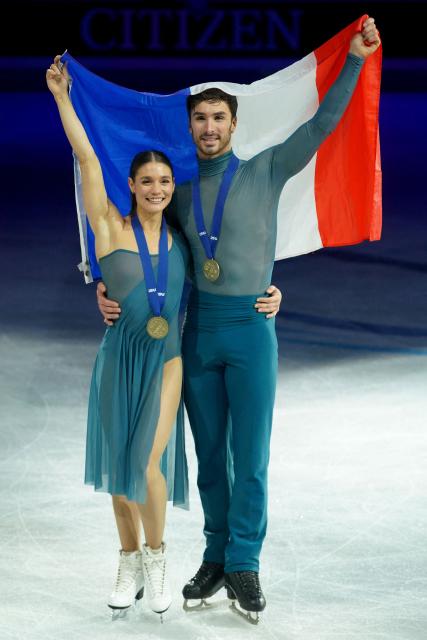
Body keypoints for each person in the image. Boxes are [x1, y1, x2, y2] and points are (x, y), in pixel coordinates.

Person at [98, 16, 381, 623]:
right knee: (208, 457)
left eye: (218, 118)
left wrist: (355, 60)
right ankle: (215, 556)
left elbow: (324, 125)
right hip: (199, 332)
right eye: (199, 118)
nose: (208, 127)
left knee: (249, 455)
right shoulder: (173, 191)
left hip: (251, 329)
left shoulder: (268, 167)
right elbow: (137, 244)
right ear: (189, 125)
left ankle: (245, 563)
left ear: (233, 123)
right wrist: (102, 284)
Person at [46, 56, 191, 620]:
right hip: (119, 358)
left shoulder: (182, 236)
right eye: (146, 182)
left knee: (146, 462)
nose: (156, 188)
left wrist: (271, 295)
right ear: (130, 185)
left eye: (164, 181)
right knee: (117, 466)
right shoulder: (109, 225)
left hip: (167, 359)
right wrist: (62, 97)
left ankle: (156, 559)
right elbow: (85, 156)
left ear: (171, 186)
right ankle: (128, 557)